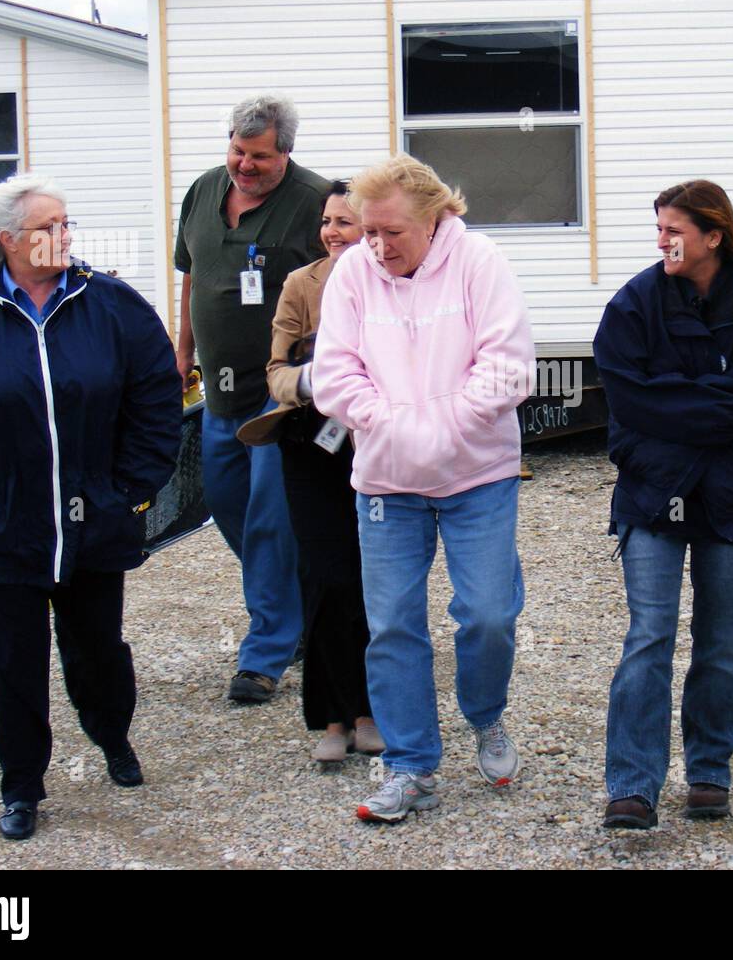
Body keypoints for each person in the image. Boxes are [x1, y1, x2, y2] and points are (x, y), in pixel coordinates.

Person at [0, 174, 181, 841]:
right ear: (11, 241)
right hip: (1, 532)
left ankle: (112, 736)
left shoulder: (111, 306)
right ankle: (22, 785)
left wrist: (129, 488)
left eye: (66, 221)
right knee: (14, 663)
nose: (65, 234)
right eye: (50, 225)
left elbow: (156, 399)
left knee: (98, 651)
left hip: (94, 523)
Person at [312, 154, 534, 822]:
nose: (376, 247)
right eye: (367, 232)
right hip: (386, 482)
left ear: (436, 219)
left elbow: (508, 368)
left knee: (488, 614)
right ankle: (410, 765)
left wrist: (440, 430)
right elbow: (334, 373)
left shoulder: (481, 263)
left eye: (391, 233)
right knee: (393, 625)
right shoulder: (353, 272)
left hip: (478, 476)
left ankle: (486, 715)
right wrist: (393, 428)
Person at [592, 180, 733, 830]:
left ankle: (709, 768)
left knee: (721, 641)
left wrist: (674, 401)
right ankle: (632, 783)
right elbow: (626, 397)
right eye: (658, 229)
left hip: (732, 493)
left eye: (674, 229)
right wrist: (700, 408)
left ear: (713, 234)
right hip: (652, 491)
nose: (662, 240)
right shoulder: (635, 303)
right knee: (649, 635)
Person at [173, 93, 331, 704]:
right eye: (238, 151)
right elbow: (192, 273)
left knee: (269, 515)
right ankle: (293, 611)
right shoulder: (203, 190)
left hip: (281, 386)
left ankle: (263, 654)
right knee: (227, 503)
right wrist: (181, 350)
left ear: (285, 153)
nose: (246, 165)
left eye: (260, 156)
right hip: (219, 386)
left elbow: (341, 281)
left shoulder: (315, 201)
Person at [237, 181, 383, 763]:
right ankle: (330, 718)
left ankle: (372, 710)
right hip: (311, 445)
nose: (331, 232)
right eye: (327, 221)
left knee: (372, 579)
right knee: (324, 576)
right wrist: (316, 380)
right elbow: (274, 370)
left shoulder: (394, 279)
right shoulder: (302, 284)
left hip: (378, 443)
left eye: (345, 222)